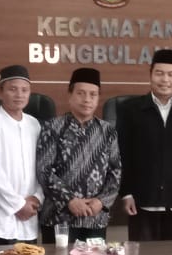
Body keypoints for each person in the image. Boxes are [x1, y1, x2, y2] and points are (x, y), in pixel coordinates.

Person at [117, 49, 172, 241]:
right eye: (159, 73)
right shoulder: (130, 110)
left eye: (171, 74)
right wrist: (126, 193)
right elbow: (123, 155)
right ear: (150, 75)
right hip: (141, 201)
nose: (165, 79)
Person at [36, 67, 121, 242]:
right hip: (59, 217)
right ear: (70, 95)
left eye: (93, 94)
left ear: (98, 98)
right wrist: (70, 200)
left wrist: (101, 201)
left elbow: (115, 172)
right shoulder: (52, 127)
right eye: (81, 93)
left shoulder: (107, 131)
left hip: (95, 217)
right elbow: (44, 170)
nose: (87, 99)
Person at [0, 65, 43, 245]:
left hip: (29, 215)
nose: (19, 95)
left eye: (24, 90)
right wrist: (18, 205)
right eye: (12, 89)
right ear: (0, 92)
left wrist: (38, 197)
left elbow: (42, 165)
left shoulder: (34, 125)